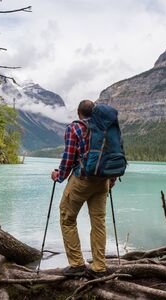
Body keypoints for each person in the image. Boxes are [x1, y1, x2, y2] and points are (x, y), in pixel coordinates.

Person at [51, 99, 114, 277]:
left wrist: (59, 176)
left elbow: (69, 157)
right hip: (103, 182)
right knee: (99, 222)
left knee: (67, 217)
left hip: (82, 180)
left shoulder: (74, 128)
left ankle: (77, 264)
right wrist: (111, 180)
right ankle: (99, 267)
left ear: (79, 113)